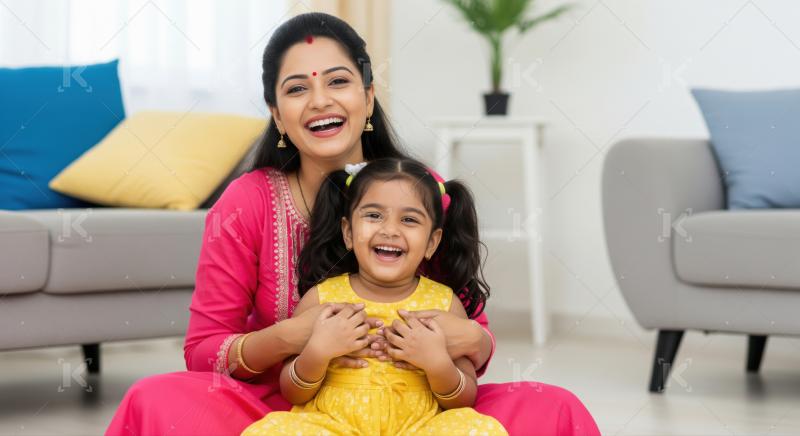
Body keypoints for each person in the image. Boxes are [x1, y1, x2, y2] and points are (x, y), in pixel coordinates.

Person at [106, 12, 599, 436]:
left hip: (420, 412)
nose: (320, 101)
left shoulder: (423, 189)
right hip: (289, 412)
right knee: (156, 398)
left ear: (367, 96)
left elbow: (474, 339)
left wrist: (465, 342)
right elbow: (203, 351)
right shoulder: (247, 201)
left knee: (554, 407)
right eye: (298, 89)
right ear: (278, 115)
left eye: (338, 82)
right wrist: (299, 339)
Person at [242, 158, 507, 435]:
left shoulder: (444, 304)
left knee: (477, 429)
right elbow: (293, 394)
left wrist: (437, 363)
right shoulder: (322, 298)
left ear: (432, 242)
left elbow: (465, 401)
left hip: (419, 427)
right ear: (348, 232)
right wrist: (317, 353)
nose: (389, 230)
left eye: (409, 219)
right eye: (373, 215)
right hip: (332, 425)